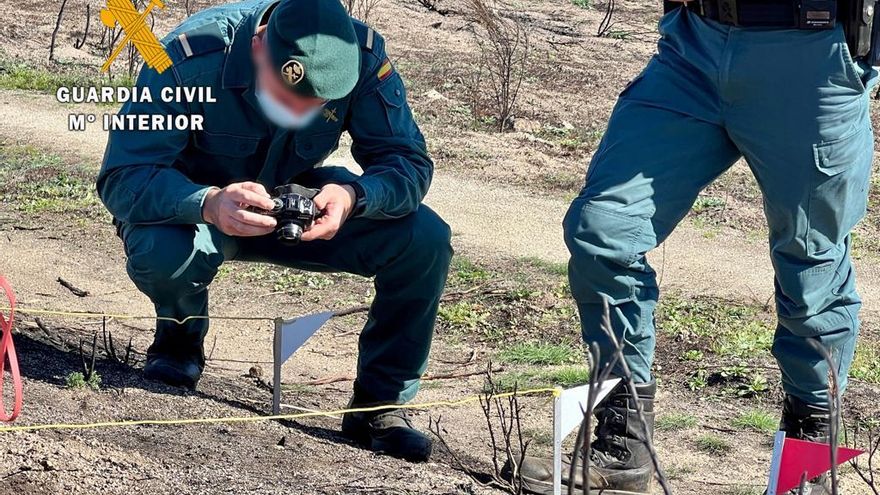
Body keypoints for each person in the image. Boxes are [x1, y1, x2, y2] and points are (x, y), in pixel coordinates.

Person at [518, 0, 878, 493]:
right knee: (603, 230)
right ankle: (624, 439)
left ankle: (808, 461)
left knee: (810, 266)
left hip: (812, 56)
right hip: (692, 49)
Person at [97, 0, 452, 462]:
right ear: (259, 47)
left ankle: (379, 407)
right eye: (286, 97)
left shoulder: (360, 56)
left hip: (297, 208)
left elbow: (406, 161)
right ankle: (178, 343)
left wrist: (353, 198)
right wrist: (207, 203)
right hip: (200, 215)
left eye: (316, 105)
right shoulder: (187, 60)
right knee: (163, 250)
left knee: (424, 240)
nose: (299, 112)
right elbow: (124, 175)